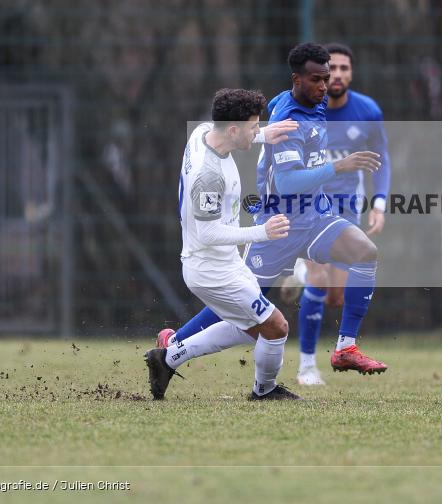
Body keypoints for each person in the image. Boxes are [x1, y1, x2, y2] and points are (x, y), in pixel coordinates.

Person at [161, 43, 389, 377]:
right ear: (297, 79)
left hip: (315, 218)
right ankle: (174, 341)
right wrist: (340, 167)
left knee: (365, 253)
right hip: (278, 226)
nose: (325, 86)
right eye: (317, 79)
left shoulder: (314, 100)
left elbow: (243, 132)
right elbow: (287, 184)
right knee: (244, 310)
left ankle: (345, 348)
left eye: (328, 77)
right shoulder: (290, 120)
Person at [144, 88, 303, 401]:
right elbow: (208, 234)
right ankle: (264, 391)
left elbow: (238, 133)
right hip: (210, 268)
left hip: (224, 262)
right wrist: (262, 233)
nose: (257, 131)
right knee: (276, 327)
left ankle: (167, 358)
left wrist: (264, 135)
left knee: (248, 326)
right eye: (254, 127)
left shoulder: (204, 131)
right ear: (233, 130)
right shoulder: (209, 176)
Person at [294, 42, 391, 386]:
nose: (336, 75)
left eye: (343, 69)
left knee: (336, 295)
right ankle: (307, 365)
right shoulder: (302, 108)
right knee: (319, 281)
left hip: (347, 211)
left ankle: (301, 281)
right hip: (309, 211)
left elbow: (382, 159)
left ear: (352, 73)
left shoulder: (367, 111)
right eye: (330, 69)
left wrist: (379, 203)